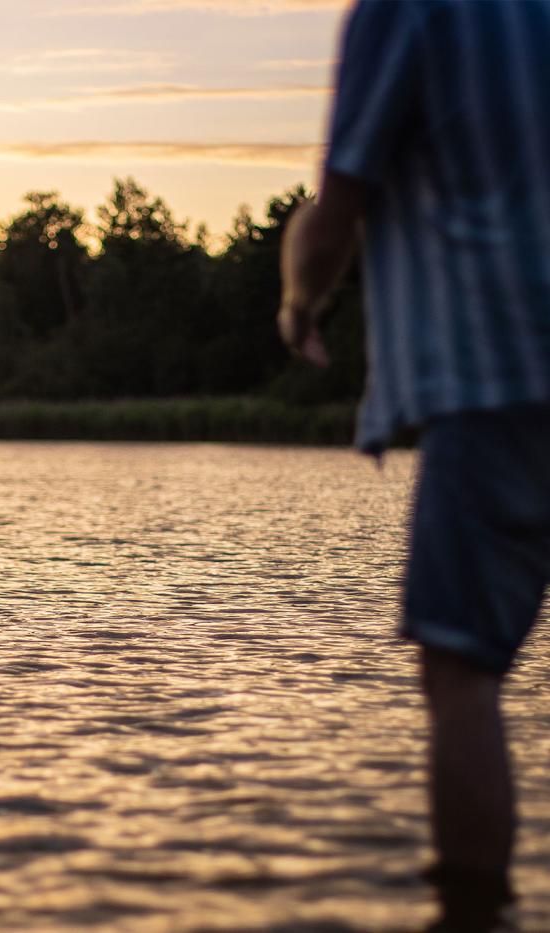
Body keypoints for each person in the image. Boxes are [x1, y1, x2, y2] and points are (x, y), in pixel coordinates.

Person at [278, 2, 550, 929]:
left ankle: (475, 914)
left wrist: (299, 301)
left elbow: (338, 206)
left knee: (462, 673)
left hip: (498, 378)